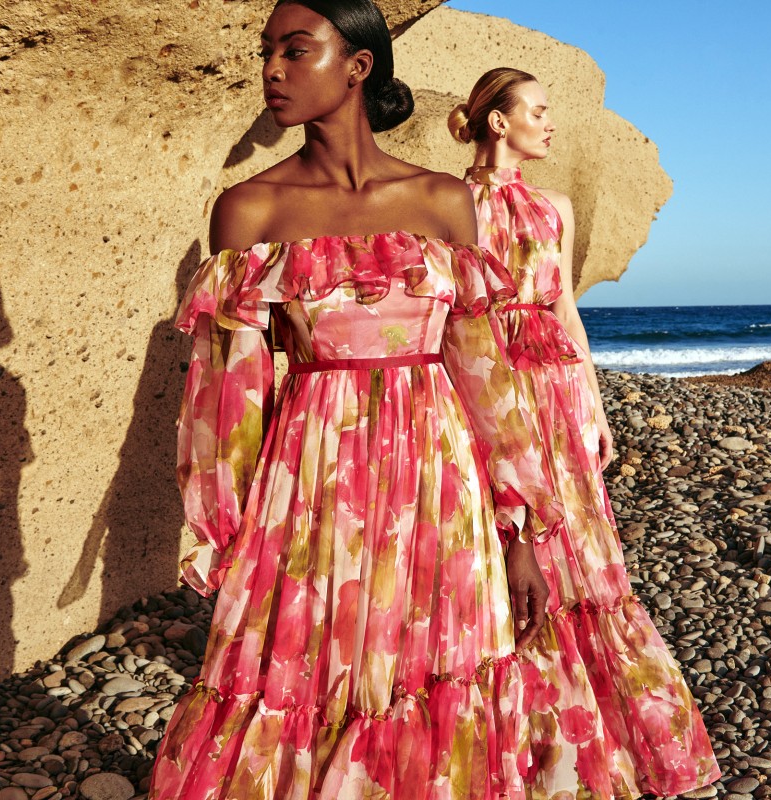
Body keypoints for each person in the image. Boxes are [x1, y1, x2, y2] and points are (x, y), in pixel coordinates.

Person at [146, 6, 564, 799]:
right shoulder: (250, 210)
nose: (271, 69)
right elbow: (223, 402)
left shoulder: (442, 201)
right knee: (296, 685)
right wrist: (224, 530)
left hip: (442, 487)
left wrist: (520, 529)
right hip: (309, 486)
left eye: (295, 50)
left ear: (359, 66)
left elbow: (485, 377)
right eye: (266, 51)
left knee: (438, 681)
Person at [450, 68, 722, 797]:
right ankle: (526, 731)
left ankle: (605, 735)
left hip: (558, 388)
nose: (550, 123)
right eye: (536, 111)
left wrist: (594, 405)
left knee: (582, 550)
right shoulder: (443, 205)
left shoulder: (557, 208)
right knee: (501, 536)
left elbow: (567, 311)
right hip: (487, 387)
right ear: (497, 122)